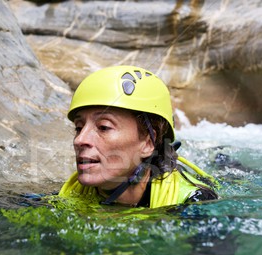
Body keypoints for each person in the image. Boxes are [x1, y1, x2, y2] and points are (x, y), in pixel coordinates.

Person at [58, 65, 218, 208]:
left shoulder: (195, 203)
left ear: (148, 143)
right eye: (79, 128)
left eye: (103, 127)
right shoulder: (67, 197)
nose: (79, 140)